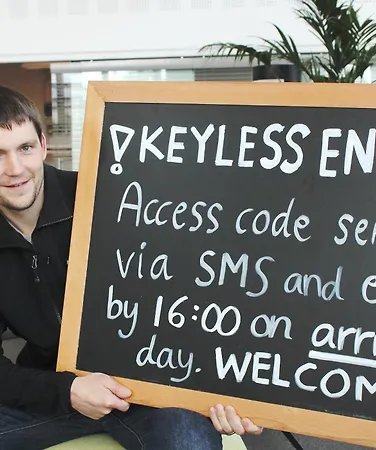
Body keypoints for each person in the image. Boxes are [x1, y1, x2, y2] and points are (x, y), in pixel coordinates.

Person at [0, 85, 263, 450]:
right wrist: (68, 390)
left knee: (187, 442)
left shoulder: (112, 194)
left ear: (44, 146)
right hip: (52, 389)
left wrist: (242, 392)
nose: (15, 169)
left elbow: (203, 292)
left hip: (151, 383)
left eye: (25, 148)